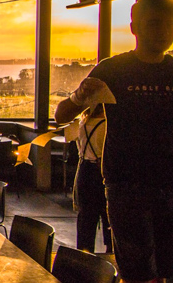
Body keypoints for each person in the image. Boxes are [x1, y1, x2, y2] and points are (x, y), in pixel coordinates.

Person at [54, 0, 173, 283]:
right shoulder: (113, 69)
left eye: (169, 26)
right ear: (134, 27)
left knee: (165, 271)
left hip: (172, 182)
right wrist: (79, 97)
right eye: (154, 24)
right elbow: (62, 115)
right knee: (137, 273)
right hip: (125, 185)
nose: (163, 32)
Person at [72, 104, 112, 253]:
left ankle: (84, 254)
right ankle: (110, 254)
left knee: (86, 219)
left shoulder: (82, 123)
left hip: (85, 171)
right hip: (102, 170)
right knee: (109, 215)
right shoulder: (108, 125)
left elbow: (79, 148)